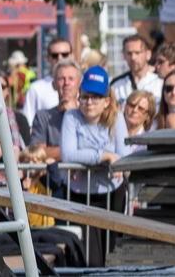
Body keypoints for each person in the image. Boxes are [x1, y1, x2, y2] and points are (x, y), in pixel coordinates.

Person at [56, 69, 127, 257]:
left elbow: (123, 155)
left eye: (96, 97)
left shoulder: (117, 118)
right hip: (81, 193)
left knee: (113, 252)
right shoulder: (71, 117)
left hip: (112, 191)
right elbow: (68, 155)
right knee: (90, 256)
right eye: (85, 96)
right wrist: (104, 156)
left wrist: (87, 157)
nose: (89, 102)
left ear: (107, 101)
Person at [114, 36, 162, 103]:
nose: (133, 58)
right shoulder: (116, 86)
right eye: (129, 53)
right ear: (124, 55)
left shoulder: (161, 83)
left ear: (148, 54)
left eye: (137, 53)